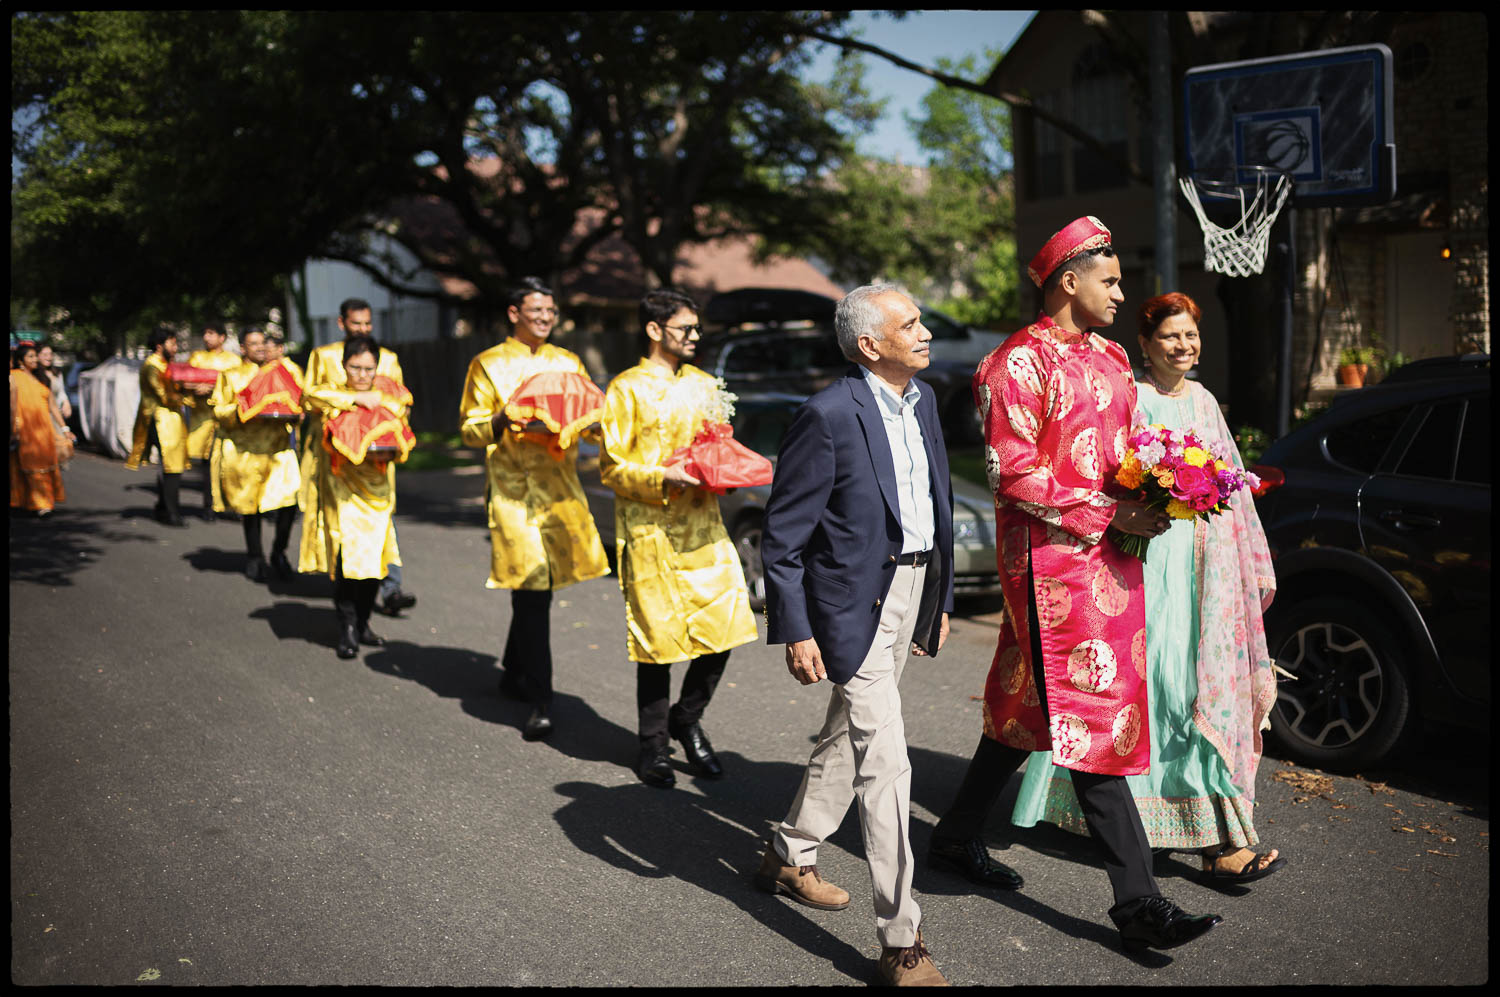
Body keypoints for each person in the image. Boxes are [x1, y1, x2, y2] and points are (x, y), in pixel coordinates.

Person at [926, 217, 1222, 955]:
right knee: (1091, 713)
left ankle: (954, 837)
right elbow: (1011, 473)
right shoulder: (1011, 367)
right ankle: (1139, 902)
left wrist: (1163, 488)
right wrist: (1107, 509)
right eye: (1111, 280)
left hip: (1114, 559)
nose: (1123, 293)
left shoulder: (1116, 357)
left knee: (1027, 700)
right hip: (1050, 566)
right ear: (1069, 281)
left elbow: (1128, 451)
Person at [1011, 291, 1284, 884]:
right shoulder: (1130, 397)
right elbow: (1109, 473)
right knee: (1148, 678)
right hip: (1141, 558)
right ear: (1145, 344)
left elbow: (1229, 487)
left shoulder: (1206, 401)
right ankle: (1123, 815)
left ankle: (1213, 827)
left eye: (1191, 336)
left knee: (1192, 682)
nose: (1183, 346)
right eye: (1170, 337)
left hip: (1198, 568)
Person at [756, 284, 955, 986]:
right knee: (886, 763)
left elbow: (933, 502)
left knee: (849, 730)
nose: (926, 332)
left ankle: (789, 849)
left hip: (909, 588)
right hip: (848, 604)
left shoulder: (923, 401)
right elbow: (781, 538)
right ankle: (902, 938)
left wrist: (936, 597)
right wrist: (796, 627)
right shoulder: (828, 413)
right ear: (871, 344)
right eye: (911, 324)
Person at [599, 289, 759, 788]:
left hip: (704, 526)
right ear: (654, 330)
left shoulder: (706, 384)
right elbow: (610, 466)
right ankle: (653, 746)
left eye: (696, 329)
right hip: (648, 529)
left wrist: (727, 469)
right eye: (684, 328)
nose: (694, 336)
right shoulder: (625, 389)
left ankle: (686, 720)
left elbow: (718, 445)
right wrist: (660, 479)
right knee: (657, 641)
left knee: (727, 626)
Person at [458, 277, 609, 741]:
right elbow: (468, 431)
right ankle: (541, 698)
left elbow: (587, 422)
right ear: (513, 313)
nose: (545, 317)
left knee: (536, 589)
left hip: (559, 490)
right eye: (536, 310)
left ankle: (510, 671)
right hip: (512, 494)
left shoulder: (567, 362)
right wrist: (503, 418)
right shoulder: (487, 364)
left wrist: (601, 427)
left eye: (550, 310)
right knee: (531, 586)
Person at [298, 298, 418, 617]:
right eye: (356, 323)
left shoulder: (389, 358)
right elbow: (309, 398)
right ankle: (348, 603)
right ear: (342, 323)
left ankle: (389, 588)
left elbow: (399, 403)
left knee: (382, 522)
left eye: (367, 324)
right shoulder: (323, 356)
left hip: (378, 457)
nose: (363, 329)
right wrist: (352, 401)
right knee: (344, 529)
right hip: (336, 460)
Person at [304, 334, 408, 657]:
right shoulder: (332, 395)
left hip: (378, 489)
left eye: (368, 368)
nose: (362, 375)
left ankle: (363, 623)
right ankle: (347, 627)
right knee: (349, 561)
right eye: (355, 367)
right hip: (344, 489)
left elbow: (402, 423)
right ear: (344, 366)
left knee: (375, 563)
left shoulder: (387, 397)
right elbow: (310, 396)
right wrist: (354, 401)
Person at [209, 329, 303, 582]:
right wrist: (244, 409)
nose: (261, 348)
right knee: (251, 507)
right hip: (246, 450)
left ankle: (279, 552)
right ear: (242, 348)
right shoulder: (231, 376)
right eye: (254, 344)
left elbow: (299, 401)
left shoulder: (283, 372)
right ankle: (255, 555)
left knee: (290, 502)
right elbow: (219, 411)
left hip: (278, 449)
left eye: (263, 343)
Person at [125, 325, 192, 527]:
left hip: (171, 419)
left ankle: (163, 507)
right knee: (172, 466)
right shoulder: (152, 366)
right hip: (160, 420)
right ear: (159, 345)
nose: (175, 346)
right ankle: (171, 512)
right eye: (172, 342)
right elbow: (163, 395)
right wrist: (188, 396)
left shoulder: (167, 364)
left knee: (170, 466)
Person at [185, 320, 244, 521]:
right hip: (203, 417)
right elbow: (185, 381)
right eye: (205, 333)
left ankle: (233, 504)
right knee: (206, 464)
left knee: (229, 463)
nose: (206, 337)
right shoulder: (197, 357)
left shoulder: (234, 361)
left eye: (211, 333)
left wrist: (214, 389)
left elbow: (240, 386)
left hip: (225, 419)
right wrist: (195, 389)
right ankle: (209, 506)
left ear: (222, 337)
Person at [10, 341, 72, 516]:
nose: (35, 359)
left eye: (35, 356)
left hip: (44, 430)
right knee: (31, 467)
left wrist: (65, 428)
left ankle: (36, 502)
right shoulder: (13, 376)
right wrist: (14, 429)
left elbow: (53, 406)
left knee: (45, 466)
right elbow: (12, 405)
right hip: (25, 429)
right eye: (30, 356)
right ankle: (41, 504)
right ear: (21, 361)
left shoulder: (42, 378)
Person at [36, 344, 72, 423]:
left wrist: (66, 403)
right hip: (41, 415)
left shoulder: (56, 372)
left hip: (57, 414)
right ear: (38, 356)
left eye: (50, 354)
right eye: (45, 355)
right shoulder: (34, 374)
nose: (49, 357)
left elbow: (61, 391)